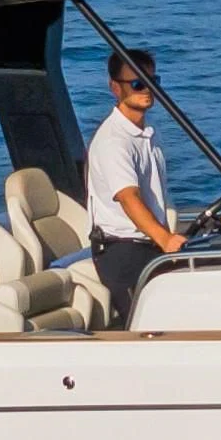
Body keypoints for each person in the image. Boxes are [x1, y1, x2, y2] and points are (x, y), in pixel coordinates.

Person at [85, 48, 178, 327]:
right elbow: (129, 198)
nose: (147, 89)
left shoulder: (147, 135)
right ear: (115, 88)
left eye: (152, 81)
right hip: (122, 251)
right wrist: (166, 240)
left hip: (150, 245)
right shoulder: (114, 141)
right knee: (153, 325)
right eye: (138, 83)